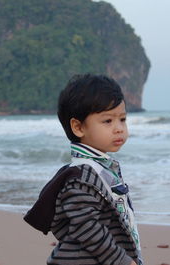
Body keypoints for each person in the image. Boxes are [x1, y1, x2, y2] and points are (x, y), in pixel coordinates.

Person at [24, 74, 143, 265]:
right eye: (107, 121)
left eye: (122, 119)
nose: (119, 128)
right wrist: (121, 260)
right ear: (78, 127)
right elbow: (84, 226)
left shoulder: (99, 168)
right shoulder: (82, 176)